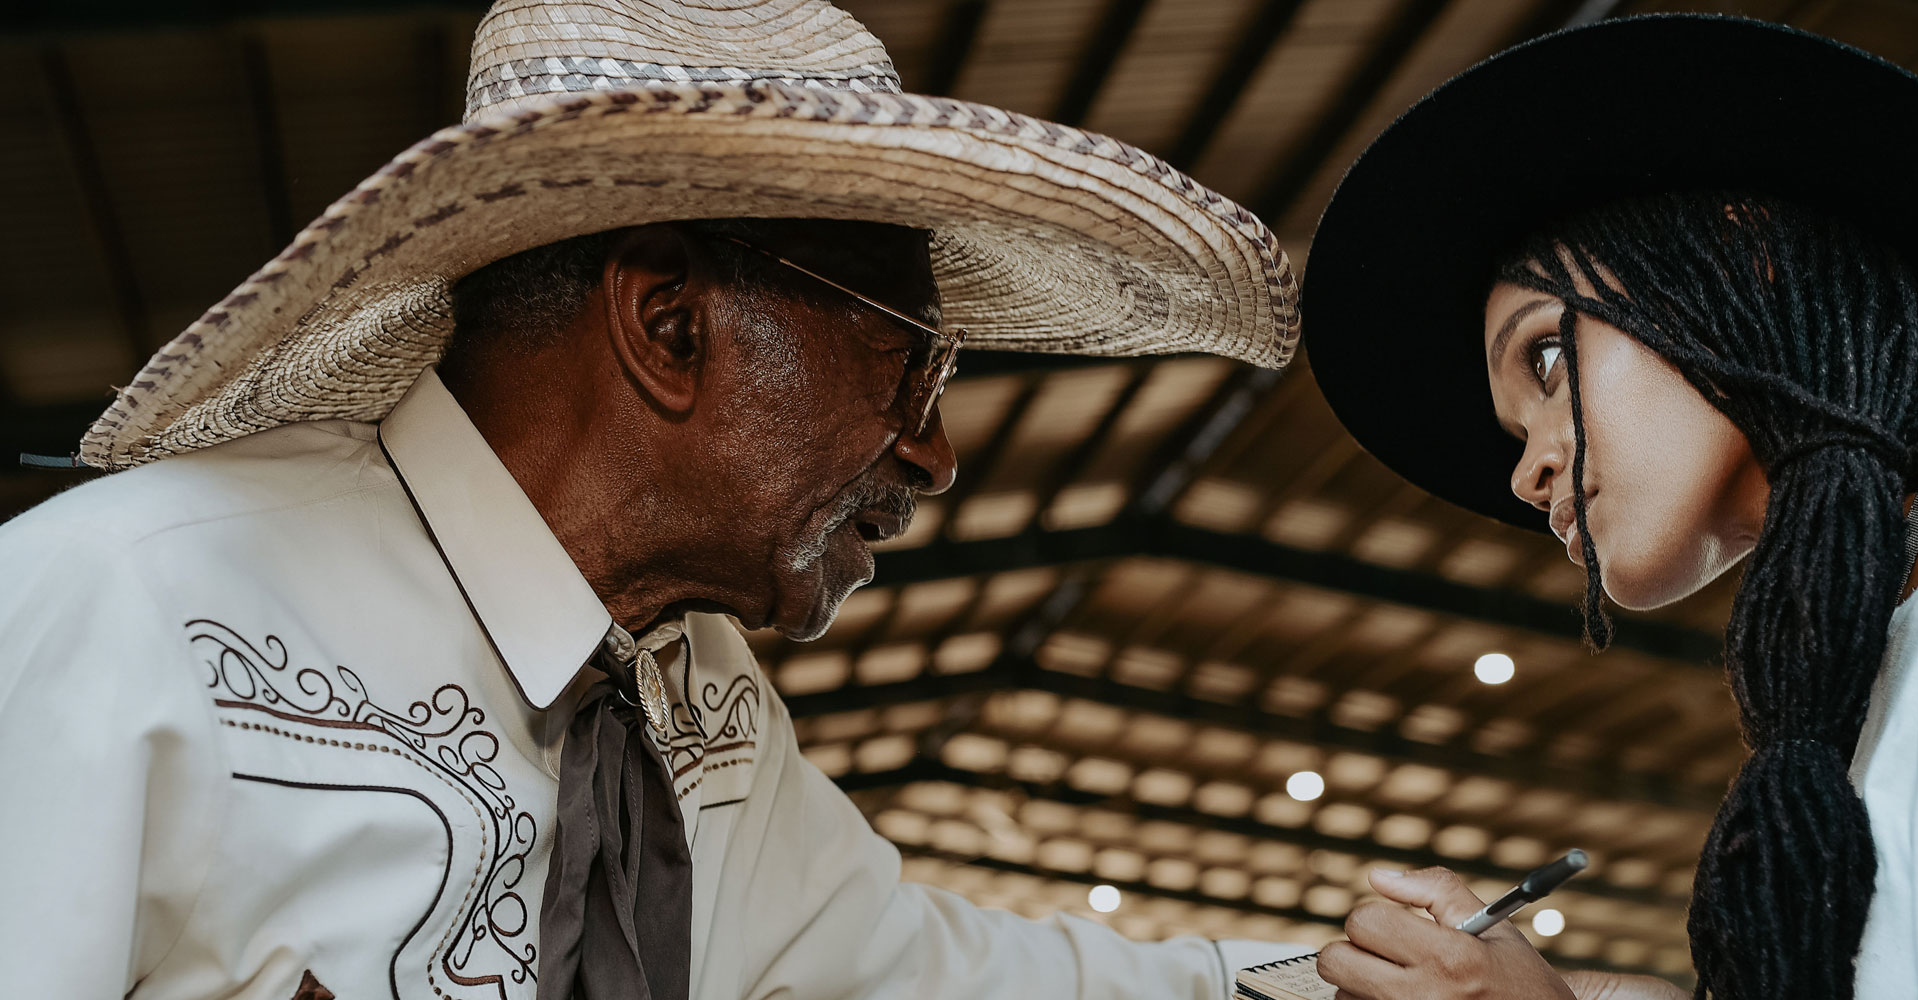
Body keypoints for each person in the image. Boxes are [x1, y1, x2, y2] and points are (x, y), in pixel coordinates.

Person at [0, 1, 1308, 996]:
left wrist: (1342, 978)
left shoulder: (702, 701)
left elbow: (928, 967)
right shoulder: (127, 614)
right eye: (914, 365)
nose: (935, 454)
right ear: (668, 323)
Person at [1297, 14, 1918, 1000]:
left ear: (1742, 261)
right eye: (1518, 436)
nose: (1525, 475)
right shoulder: (1911, 649)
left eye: (1547, 360)